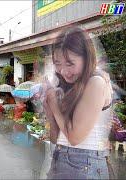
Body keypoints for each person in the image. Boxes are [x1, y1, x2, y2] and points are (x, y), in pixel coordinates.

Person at [44, 27, 113, 179]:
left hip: (84, 164)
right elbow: (57, 135)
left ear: (86, 57)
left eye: (70, 64)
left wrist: (54, 105)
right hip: (62, 157)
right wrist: (50, 110)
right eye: (58, 63)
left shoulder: (96, 82)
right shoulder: (71, 85)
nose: (63, 71)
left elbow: (74, 137)